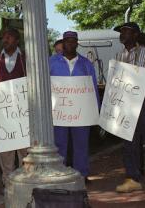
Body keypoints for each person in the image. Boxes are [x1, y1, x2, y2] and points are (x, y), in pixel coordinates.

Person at [114, 22, 145, 196]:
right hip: (126, 103)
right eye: (121, 32)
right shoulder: (118, 55)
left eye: (125, 31)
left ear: (135, 35)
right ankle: (132, 179)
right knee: (128, 142)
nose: (122, 34)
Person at [49, 31, 99, 182]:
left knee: (81, 144)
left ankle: (81, 175)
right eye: (67, 41)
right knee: (59, 145)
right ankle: (60, 174)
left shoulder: (86, 64)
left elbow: (93, 87)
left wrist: (96, 111)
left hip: (81, 113)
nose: (70, 43)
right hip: (59, 113)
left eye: (73, 41)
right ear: (63, 43)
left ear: (77, 43)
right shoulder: (50, 62)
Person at [0, 28, 27, 185]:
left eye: (9, 37)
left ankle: (26, 183)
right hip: (3, 116)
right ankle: (8, 184)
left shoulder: (26, 59)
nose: (5, 40)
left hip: (23, 115)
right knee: (6, 152)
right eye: (4, 37)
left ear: (17, 40)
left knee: (25, 152)